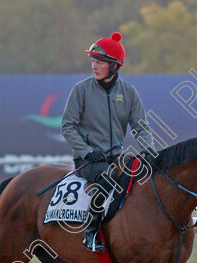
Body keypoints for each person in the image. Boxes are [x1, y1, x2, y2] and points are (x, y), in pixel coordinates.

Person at [61, 32, 154, 251]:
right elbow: (68, 126)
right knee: (107, 176)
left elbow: (141, 127)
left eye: (99, 62)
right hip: (89, 162)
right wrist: (86, 152)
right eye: (93, 61)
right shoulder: (80, 90)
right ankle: (90, 233)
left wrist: (149, 150)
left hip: (116, 158)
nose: (94, 66)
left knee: (143, 177)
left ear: (114, 66)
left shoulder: (129, 92)